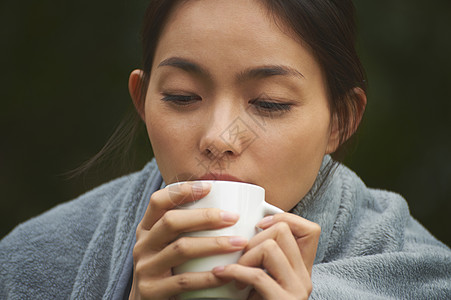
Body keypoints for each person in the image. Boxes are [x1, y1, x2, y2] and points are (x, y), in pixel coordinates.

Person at [1, 0, 450, 299]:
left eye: (269, 103)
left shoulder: (422, 277)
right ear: (141, 100)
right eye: (181, 96)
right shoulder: (31, 263)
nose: (218, 137)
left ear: (341, 120)